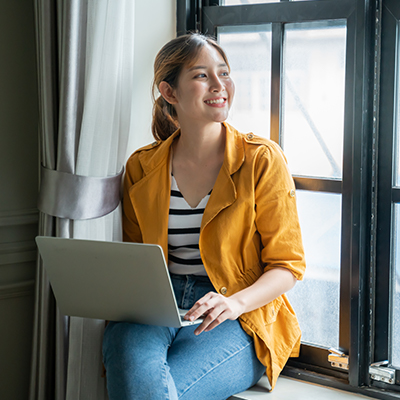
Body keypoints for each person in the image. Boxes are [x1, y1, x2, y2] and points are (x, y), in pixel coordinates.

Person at [102, 33, 306, 400]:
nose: (219, 85)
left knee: (156, 392)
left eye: (224, 73)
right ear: (169, 92)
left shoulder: (261, 159)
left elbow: (287, 266)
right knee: (139, 380)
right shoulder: (142, 166)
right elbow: (136, 258)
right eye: (201, 76)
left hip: (239, 313)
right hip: (154, 306)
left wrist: (233, 303)